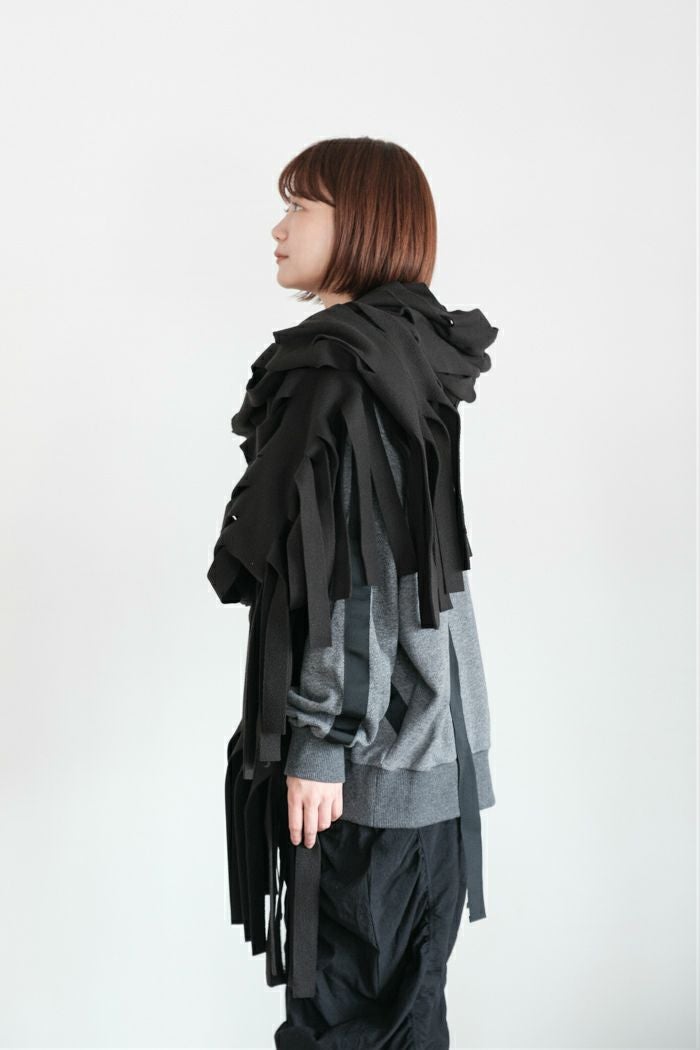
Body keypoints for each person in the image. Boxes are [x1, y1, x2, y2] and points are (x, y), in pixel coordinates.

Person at [207, 136, 498, 1050]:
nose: (278, 227)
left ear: (362, 224)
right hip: (428, 755)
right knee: (400, 1021)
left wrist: (323, 742)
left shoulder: (344, 372)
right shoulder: (405, 353)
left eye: (301, 206)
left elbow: (355, 579)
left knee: (348, 1026)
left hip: (371, 771)